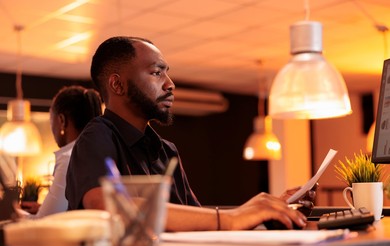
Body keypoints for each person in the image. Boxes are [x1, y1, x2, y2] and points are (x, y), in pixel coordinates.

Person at [65, 36, 311, 231]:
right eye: (156, 72)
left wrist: (266, 211)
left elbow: (198, 220)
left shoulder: (167, 150)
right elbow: (105, 204)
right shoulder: (96, 136)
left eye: (167, 72)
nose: (170, 84)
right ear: (117, 85)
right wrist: (230, 218)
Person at [20, 85, 103, 218]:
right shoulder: (98, 152)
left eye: (51, 121)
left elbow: (44, 223)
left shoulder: (69, 158)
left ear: (62, 120)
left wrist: (14, 213)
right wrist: (42, 208)